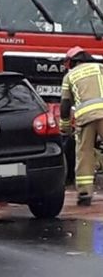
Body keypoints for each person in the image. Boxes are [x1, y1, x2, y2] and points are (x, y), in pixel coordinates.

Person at [60, 46, 103, 206]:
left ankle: (85, 193)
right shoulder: (100, 68)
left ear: (73, 62)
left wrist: (64, 127)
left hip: (85, 117)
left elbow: (65, 105)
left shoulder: (70, 76)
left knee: (84, 153)